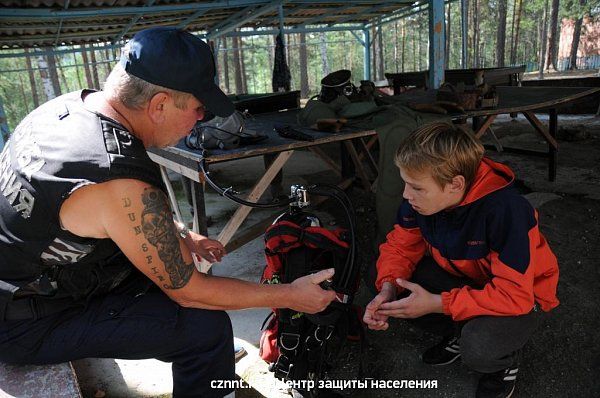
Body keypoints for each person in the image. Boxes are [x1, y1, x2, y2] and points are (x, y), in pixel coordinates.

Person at [0, 27, 336, 398]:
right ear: (159, 104)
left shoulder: (67, 108)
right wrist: (290, 295)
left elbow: (111, 214)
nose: (201, 118)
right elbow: (190, 293)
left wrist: (181, 234)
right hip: (24, 322)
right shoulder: (117, 176)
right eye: (197, 108)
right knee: (205, 328)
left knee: (174, 276)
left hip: (37, 278)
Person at [363, 122, 559, 398]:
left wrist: (438, 303)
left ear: (456, 184)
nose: (406, 195)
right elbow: (400, 246)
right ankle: (458, 328)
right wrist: (388, 288)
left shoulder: (506, 211)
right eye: (405, 183)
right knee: (384, 276)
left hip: (521, 296)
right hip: (471, 279)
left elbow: (515, 295)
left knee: (479, 347)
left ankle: (502, 364)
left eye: (416, 188)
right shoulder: (422, 196)